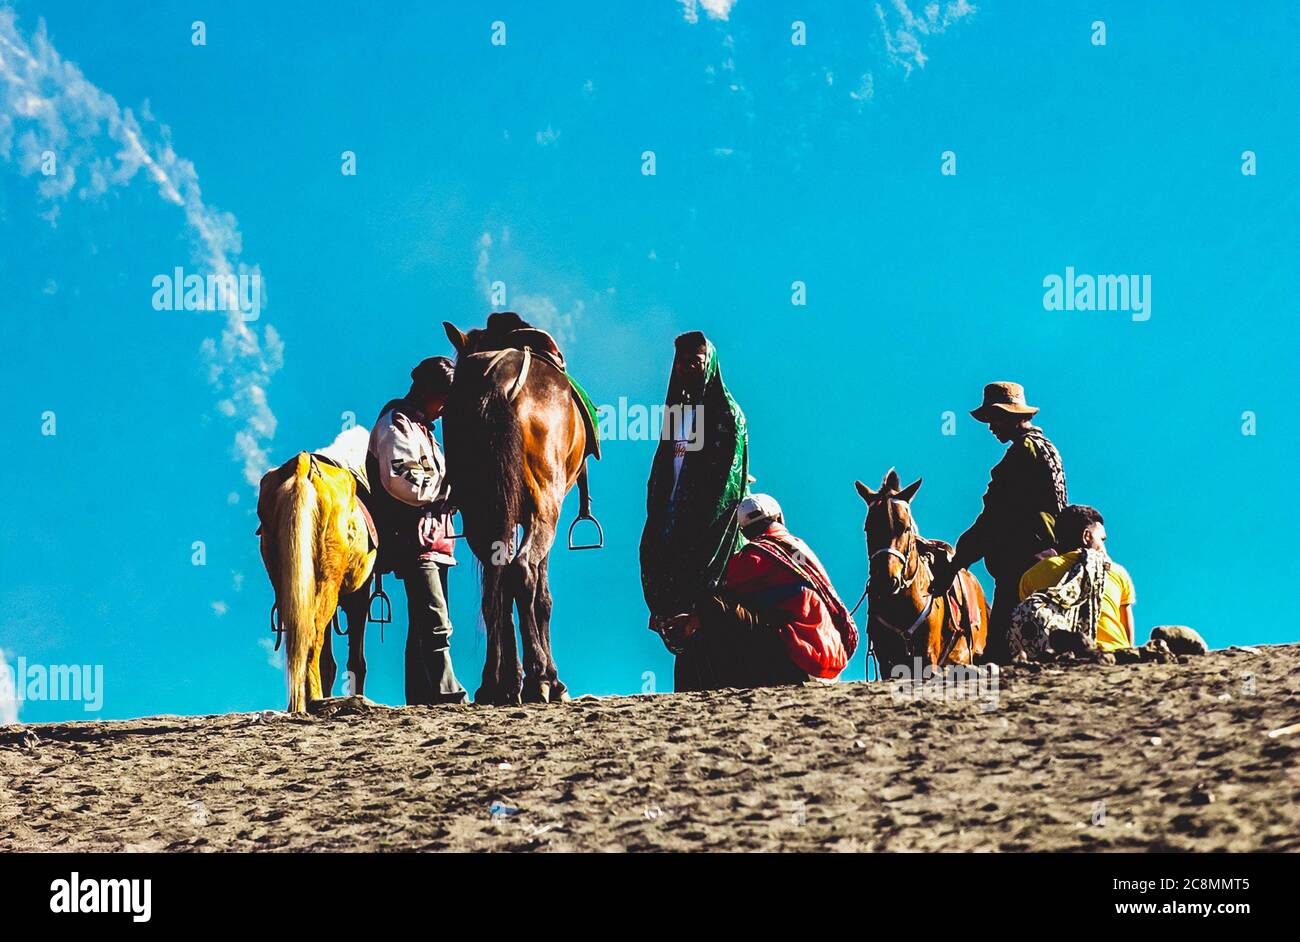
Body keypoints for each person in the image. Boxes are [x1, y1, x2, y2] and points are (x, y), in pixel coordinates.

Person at [929, 382, 1067, 664]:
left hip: (1022, 565)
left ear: (1011, 415)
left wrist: (956, 562)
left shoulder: (1021, 454)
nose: (991, 427)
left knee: (1001, 654)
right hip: (1050, 559)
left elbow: (995, 519)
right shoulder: (1047, 449)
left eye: (995, 418)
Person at [639, 332, 749, 685]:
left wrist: (691, 536)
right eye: (680, 362)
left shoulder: (727, 414)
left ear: (710, 365)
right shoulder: (677, 416)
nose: (686, 368)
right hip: (672, 535)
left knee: (712, 627)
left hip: (713, 539)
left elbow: (724, 488)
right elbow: (662, 477)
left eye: (695, 362)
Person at [662, 494, 859, 690]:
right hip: (832, 655)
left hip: (802, 656)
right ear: (779, 518)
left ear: (745, 533)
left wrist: (693, 620)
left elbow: (724, 601)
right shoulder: (801, 549)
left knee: (715, 608)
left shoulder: (752, 556)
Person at [364, 356, 469, 705]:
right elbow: (405, 482)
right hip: (414, 539)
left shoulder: (422, 429)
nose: (445, 410)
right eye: (444, 400)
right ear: (429, 392)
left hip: (435, 539)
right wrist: (449, 486)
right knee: (435, 620)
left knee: (424, 623)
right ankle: (447, 692)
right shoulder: (397, 425)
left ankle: (422, 696)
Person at [1014, 504, 1135, 655]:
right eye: (1102, 540)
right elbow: (1127, 631)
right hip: (1115, 654)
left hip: (1060, 658)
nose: (1104, 548)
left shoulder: (1031, 576)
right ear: (1087, 536)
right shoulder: (1116, 571)